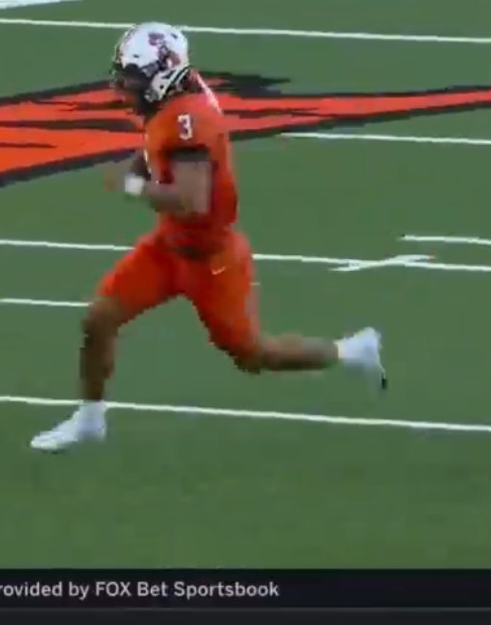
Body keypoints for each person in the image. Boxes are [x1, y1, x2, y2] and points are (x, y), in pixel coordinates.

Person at [31, 22, 386, 452]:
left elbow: (190, 201)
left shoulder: (188, 120)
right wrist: (141, 166)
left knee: (253, 355)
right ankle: (90, 421)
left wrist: (131, 185)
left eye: (134, 79)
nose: (125, 88)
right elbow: (160, 148)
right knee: (99, 319)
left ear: (162, 74)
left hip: (211, 260)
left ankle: (352, 351)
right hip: (169, 247)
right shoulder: (179, 96)